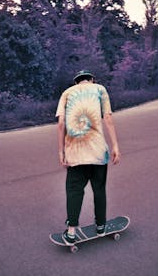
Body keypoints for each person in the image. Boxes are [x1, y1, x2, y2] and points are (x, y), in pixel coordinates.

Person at [55, 70, 120, 245]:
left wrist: (61, 151)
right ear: (91, 80)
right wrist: (115, 145)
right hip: (98, 152)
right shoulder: (100, 89)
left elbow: (61, 124)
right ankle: (100, 227)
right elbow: (107, 118)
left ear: (77, 82)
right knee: (99, 189)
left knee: (74, 190)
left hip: (75, 153)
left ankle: (71, 232)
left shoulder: (66, 93)